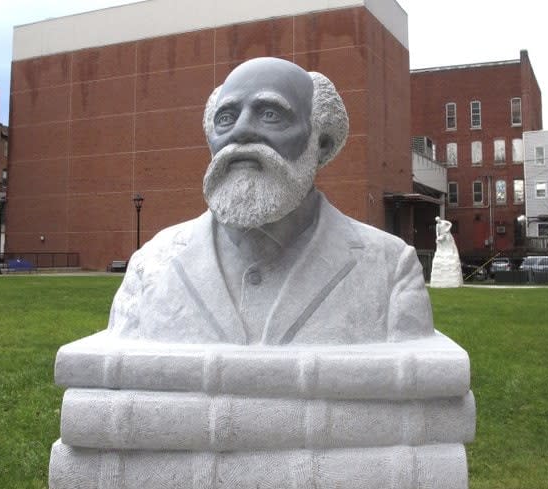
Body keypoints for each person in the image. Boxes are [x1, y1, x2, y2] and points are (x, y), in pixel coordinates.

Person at [108, 57, 433, 345]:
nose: (241, 131)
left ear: (321, 143)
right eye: (226, 118)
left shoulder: (390, 270)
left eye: (270, 114)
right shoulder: (149, 266)